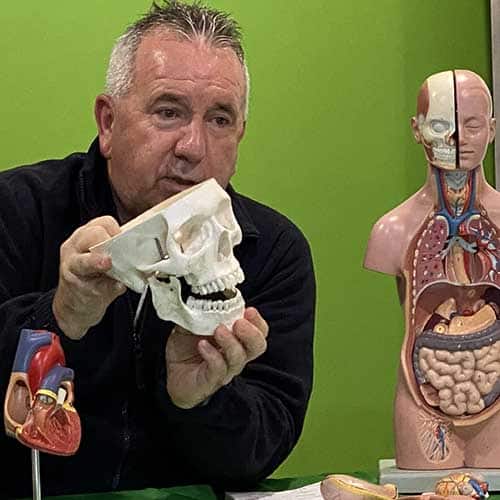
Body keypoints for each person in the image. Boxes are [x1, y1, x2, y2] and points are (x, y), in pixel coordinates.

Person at [0, 1, 316, 498]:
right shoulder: (16, 210)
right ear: (108, 123)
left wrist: (198, 401)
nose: (193, 147)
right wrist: (60, 318)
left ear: (240, 135)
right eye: (169, 112)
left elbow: (263, 448)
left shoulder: (273, 251)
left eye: (220, 119)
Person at [364, 70, 500, 469]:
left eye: (472, 125)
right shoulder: (392, 230)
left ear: (492, 130)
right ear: (416, 130)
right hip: (424, 395)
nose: (457, 139)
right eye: (441, 126)